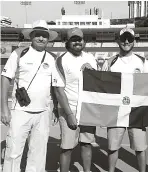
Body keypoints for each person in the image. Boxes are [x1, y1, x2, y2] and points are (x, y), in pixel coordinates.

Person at [1, 20, 58, 172]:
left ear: (48, 38)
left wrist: (55, 108)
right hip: (20, 111)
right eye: (38, 35)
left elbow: (55, 86)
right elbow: (5, 79)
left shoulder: (52, 58)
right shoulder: (19, 53)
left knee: (38, 154)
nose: (41, 38)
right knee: (13, 151)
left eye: (44, 36)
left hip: (43, 112)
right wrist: (4, 109)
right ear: (31, 36)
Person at [102, 27, 148, 172]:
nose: (126, 41)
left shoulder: (142, 62)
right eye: (123, 38)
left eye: (129, 38)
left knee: (140, 148)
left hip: (136, 111)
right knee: (112, 147)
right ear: (118, 40)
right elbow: (102, 87)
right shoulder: (110, 62)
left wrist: (147, 112)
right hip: (115, 111)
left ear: (134, 41)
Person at [52, 27, 97, 172]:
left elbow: (97, 84)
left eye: (80, 39)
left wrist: (92, 71)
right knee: (67, 147)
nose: (77, 42)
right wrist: (69, 115)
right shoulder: (61, 60)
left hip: (87, 109)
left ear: (84, 41)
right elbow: (59, 90)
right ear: (67, 41)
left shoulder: (91, 58)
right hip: (68, 109)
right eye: (73, 39)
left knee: (86, 144)